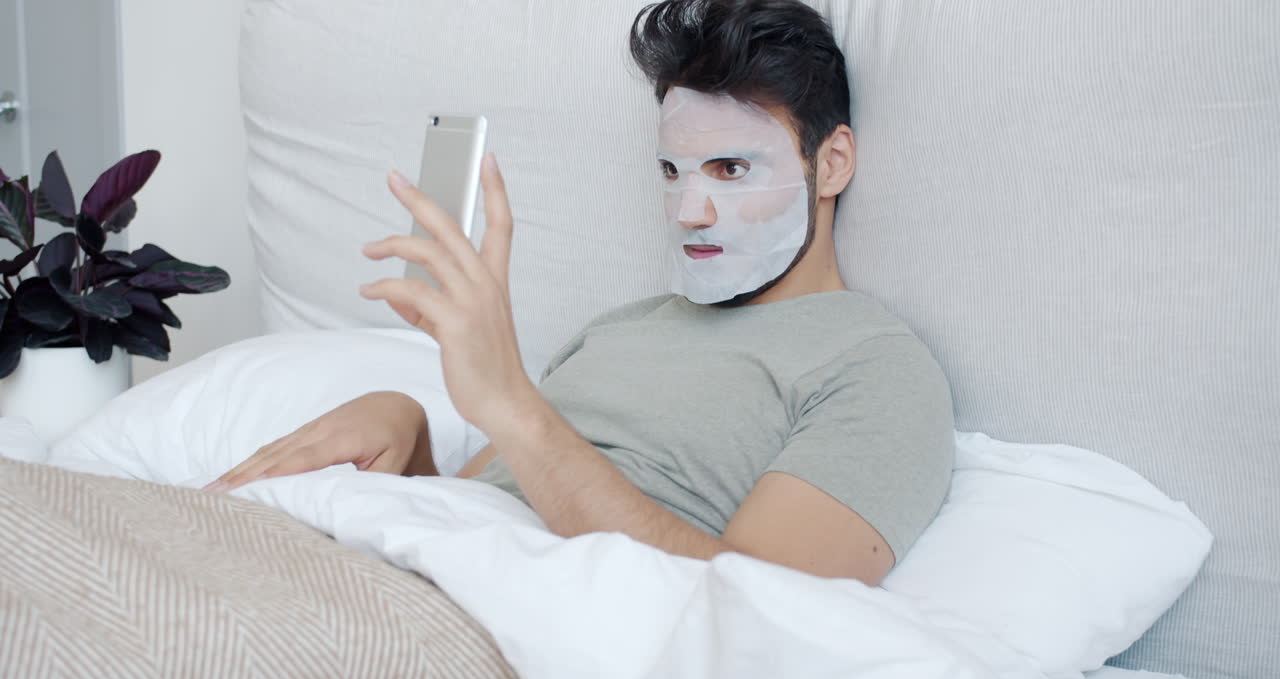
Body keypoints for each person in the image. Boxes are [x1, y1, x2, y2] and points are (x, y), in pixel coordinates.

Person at [208, 0, 953, 586]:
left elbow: (763, 614)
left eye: (730, 169)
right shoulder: (620, 330)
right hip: (377, 566)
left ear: (832, 164)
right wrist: (409, 443)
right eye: (672, 171)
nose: (689, 210)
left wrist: (511, 405)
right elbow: (497, 505)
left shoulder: (873, 367)